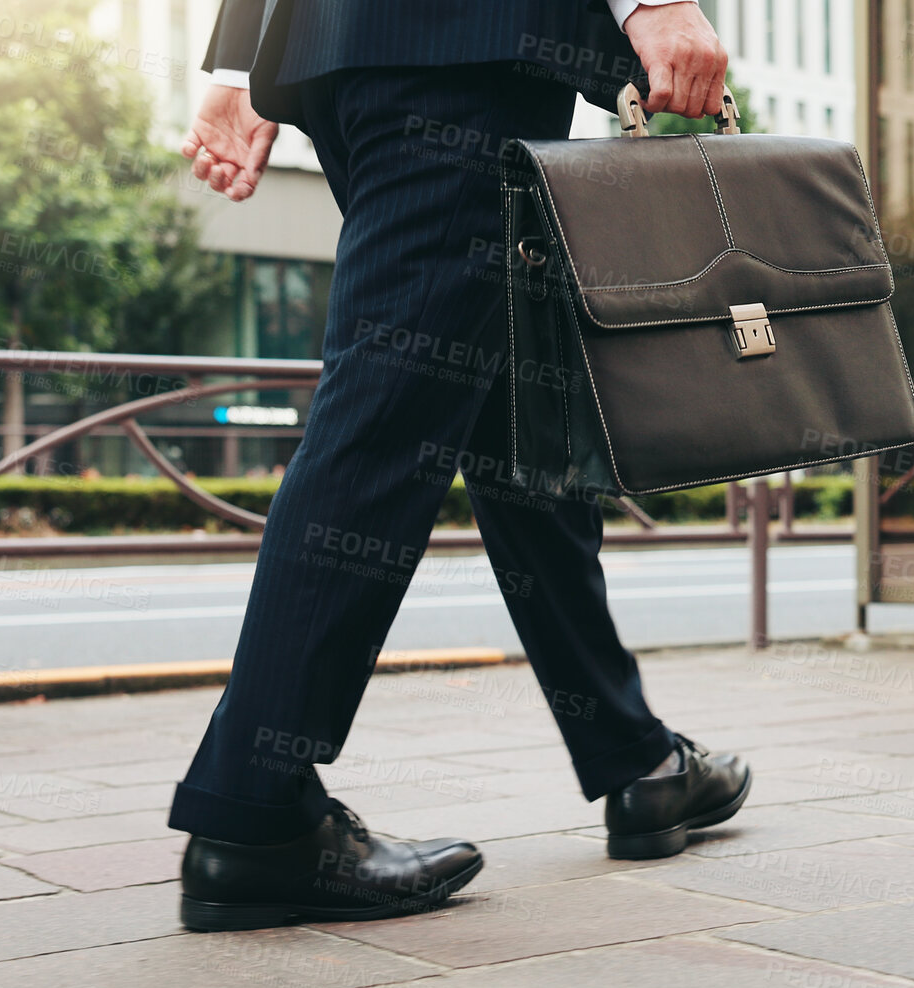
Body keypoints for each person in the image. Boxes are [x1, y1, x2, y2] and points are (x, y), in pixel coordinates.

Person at [168, 0, 752, 933]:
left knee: (518, 412)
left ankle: (635, 757)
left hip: (358, 50)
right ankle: (254, 805)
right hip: (462, 53)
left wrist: (243, 67)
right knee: (386, 416)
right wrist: (656, 3)